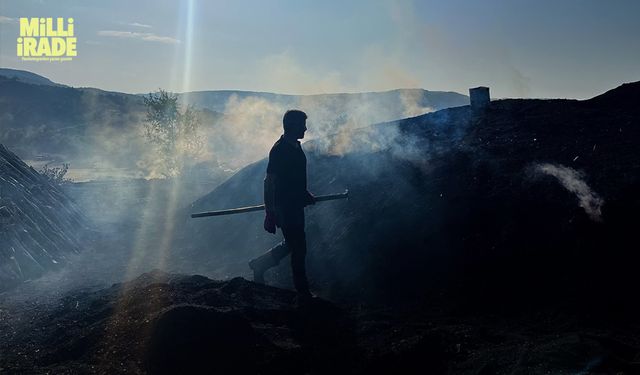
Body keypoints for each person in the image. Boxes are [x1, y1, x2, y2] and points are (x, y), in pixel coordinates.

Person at [249, 109, 316, 299]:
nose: (305, 128)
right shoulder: (279, 150)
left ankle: (260, 264)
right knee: (299, 247)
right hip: (284, 207)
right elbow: (269, 182)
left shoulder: (296, 146)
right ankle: (303, 292)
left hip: (295, 205)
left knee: (292, 244)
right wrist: (270, 213)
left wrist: (304, 193)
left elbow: (295, 176)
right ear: (293, 126)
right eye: (302, 125)